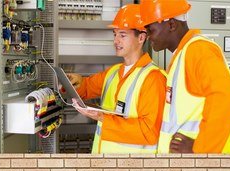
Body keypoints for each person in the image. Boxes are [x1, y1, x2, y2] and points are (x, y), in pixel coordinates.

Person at [138, 0, 230, 154]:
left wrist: (200, 148)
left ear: (171, 25)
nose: (148, 36)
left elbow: (227, 98)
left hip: (203, 168)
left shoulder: (199, 51)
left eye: (150, 29)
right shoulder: (182, 55)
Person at [66, 4, 167, 154]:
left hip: (132, 170)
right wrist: (74, 81)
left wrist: (102, 118)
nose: (116, 41)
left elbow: (148, 132)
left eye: (122, 35)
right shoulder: (113, 73)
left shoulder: (153, 78)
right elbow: (86, 87)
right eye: (115, 34)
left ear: (141, 37)